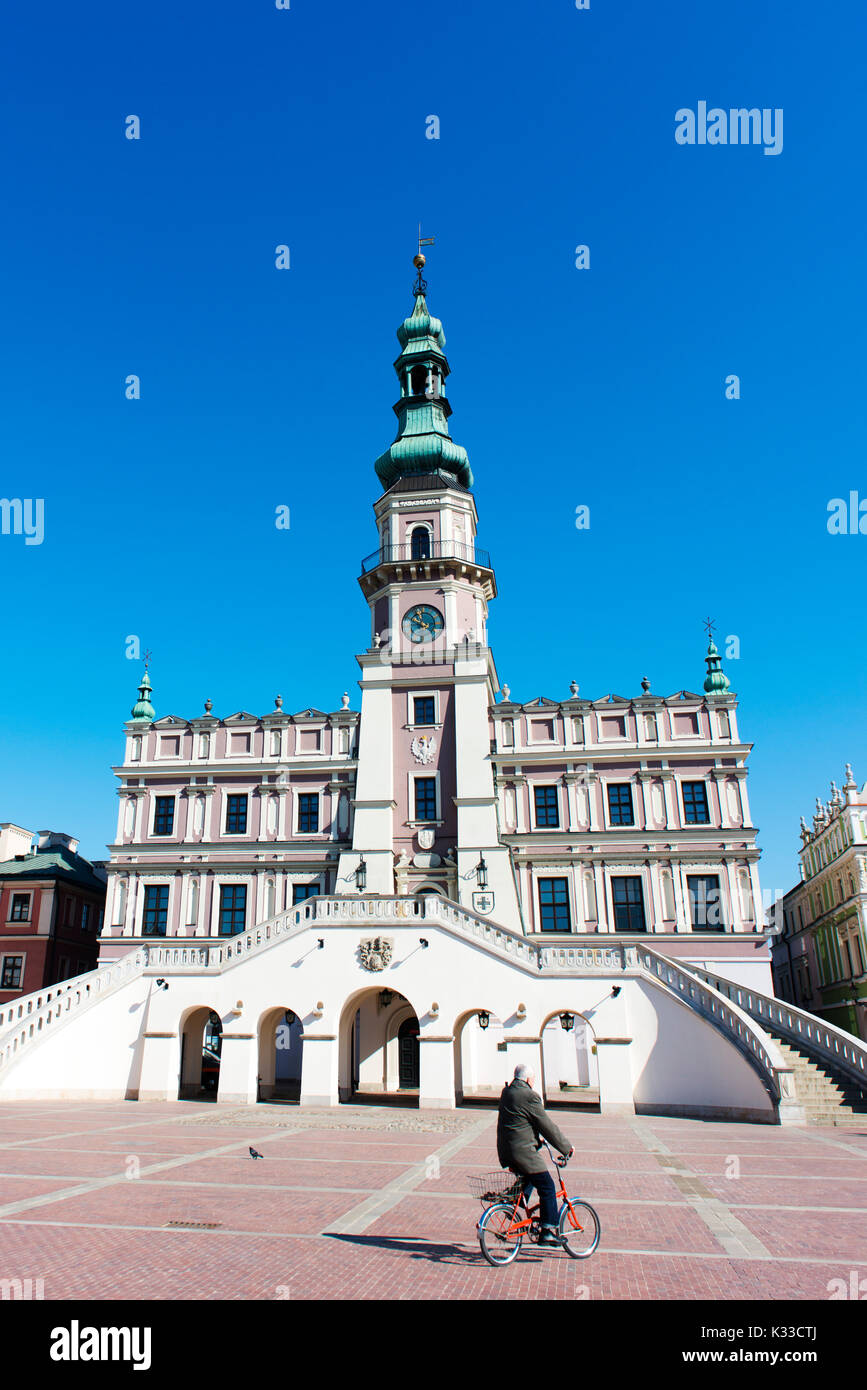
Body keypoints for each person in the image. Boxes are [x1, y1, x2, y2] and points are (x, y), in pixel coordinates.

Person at [497, 1063, 574, 1246]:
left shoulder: (507, 1092)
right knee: (547, 1186)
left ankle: (516, 1197)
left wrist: (536, 1140)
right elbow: (545, 1125)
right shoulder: (529, 1096)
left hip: (507, 1150)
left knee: (531, 1177)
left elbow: (518, 1122)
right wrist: (565, 1148)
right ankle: (547, 1230)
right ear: (529, 1079)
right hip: (523, 1152)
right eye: (533, 1080)